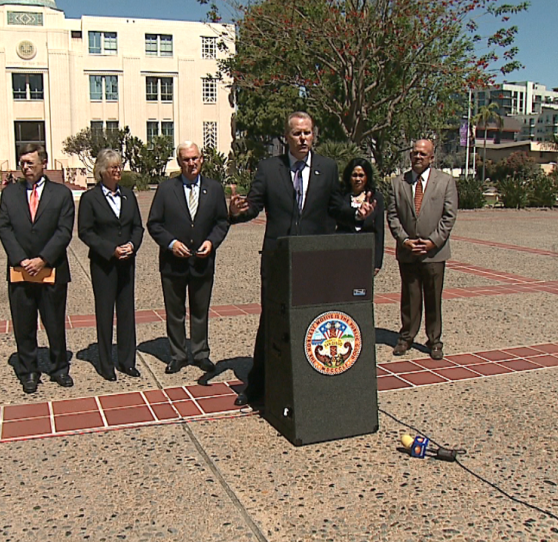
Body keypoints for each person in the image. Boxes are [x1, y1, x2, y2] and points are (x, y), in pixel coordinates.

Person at [228, 111, 375, 406]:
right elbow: (254, 205)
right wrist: (236, 211)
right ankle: (257, 384)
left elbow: (335, 206)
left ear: (314, 135)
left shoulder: (327, 168)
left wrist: (356, 214)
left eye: (307, 132)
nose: (302, 138)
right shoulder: (270, 168)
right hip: (277, 259)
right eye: (296, 133)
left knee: (311, 320)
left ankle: (308, 382)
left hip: (313, 261)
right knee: (271, 320)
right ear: (287, 137)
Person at [0, 144, 75, 393]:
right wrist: (21, 259)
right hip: (20, 271)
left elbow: (64, 231)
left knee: (54, 323)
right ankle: (28, 370)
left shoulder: (61, 194)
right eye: (22, 162)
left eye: (31, 162)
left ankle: (59, 367)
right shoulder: (9, 194)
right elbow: (4, 228)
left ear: (44, 163)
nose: (25, 167)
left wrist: (43, 259)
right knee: (24, 323)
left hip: (51, 269)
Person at [147, 141, 229, 375]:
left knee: (200, 310)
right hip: (173, 263)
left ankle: (201, 353)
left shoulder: (214, 189)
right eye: (186, 159)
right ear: (179, 162)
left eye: (195, 158)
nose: (191, 163)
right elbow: (154, 223)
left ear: (201, 159)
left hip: (203, 261)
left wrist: (211, 242)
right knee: (175, 312)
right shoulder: (166, 189)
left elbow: (222, 221)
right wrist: (171, 243)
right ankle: (178, 355)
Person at [386, 139, 458, 361]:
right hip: (407, 251)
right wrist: (404, 239)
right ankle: (406, 336)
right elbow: (392, 215)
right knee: (409, 297)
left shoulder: (445, 182)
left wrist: (433, 241)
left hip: (434, 252)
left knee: (433, 297)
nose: (418, 157)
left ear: (432, 158)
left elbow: (449, 216)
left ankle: (434, 340)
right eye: (415, 153)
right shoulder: (398, 183)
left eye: (423, 154)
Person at [77, 149, 144, 381]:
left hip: (127, 263)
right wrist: (110, 249)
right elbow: (85, 232)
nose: (118, 171)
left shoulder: (128, 195)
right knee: (105, 313)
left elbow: (137, 226)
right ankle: (106, 364)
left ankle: (127, 361)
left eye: (119, 166)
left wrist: (132, 245)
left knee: (126, 313)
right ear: (102, 171)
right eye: (113, 167)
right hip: (104, 265)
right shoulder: (90, 198)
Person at [335, 157, 384, 275]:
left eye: (361, 175)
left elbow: (379, 231)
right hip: (342, 252)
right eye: (354, 175)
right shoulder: (340, 196)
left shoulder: (376, 198)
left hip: (365, 252)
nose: (358, 179)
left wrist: (377, 262)